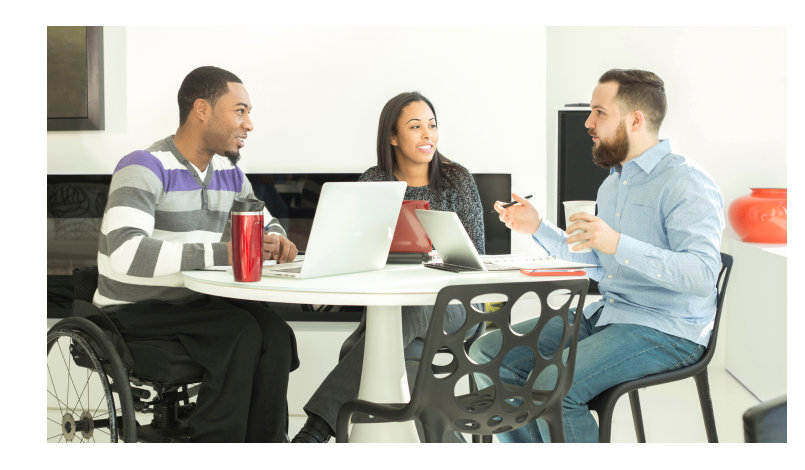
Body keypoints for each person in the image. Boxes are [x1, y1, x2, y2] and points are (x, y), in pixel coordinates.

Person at [469, 69, 724, 443]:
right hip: (610, 313)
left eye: (599, 113)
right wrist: (537, 227)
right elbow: (600, 263)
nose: (588, 123)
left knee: (554, 386)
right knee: (488, 355)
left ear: (635, 120)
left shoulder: (686, 182)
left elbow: (702, 275)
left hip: (668, 328)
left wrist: (617, 243)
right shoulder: (613, 183)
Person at [93, 66, 300, 442]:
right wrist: (227, 253)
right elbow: (125, 253)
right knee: (238, 332)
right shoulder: (144, 166)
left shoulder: (229, 173)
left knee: (275, 333)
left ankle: (267, 445)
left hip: (194, 304)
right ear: (202, 109)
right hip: (133, 309)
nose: (249, 124)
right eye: (240, 111)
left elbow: (265, 222)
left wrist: (276, 240)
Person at [291, 91, 485, 443]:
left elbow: (477, 256)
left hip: (455, 305)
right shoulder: (375, 180)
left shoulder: (458, 180)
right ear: (393, 137)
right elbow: (358, 254)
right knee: (404, 357)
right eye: (415, 127)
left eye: (432, 125)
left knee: (391, 326)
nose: (428, 134)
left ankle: (316, 429)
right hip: (392, 305)